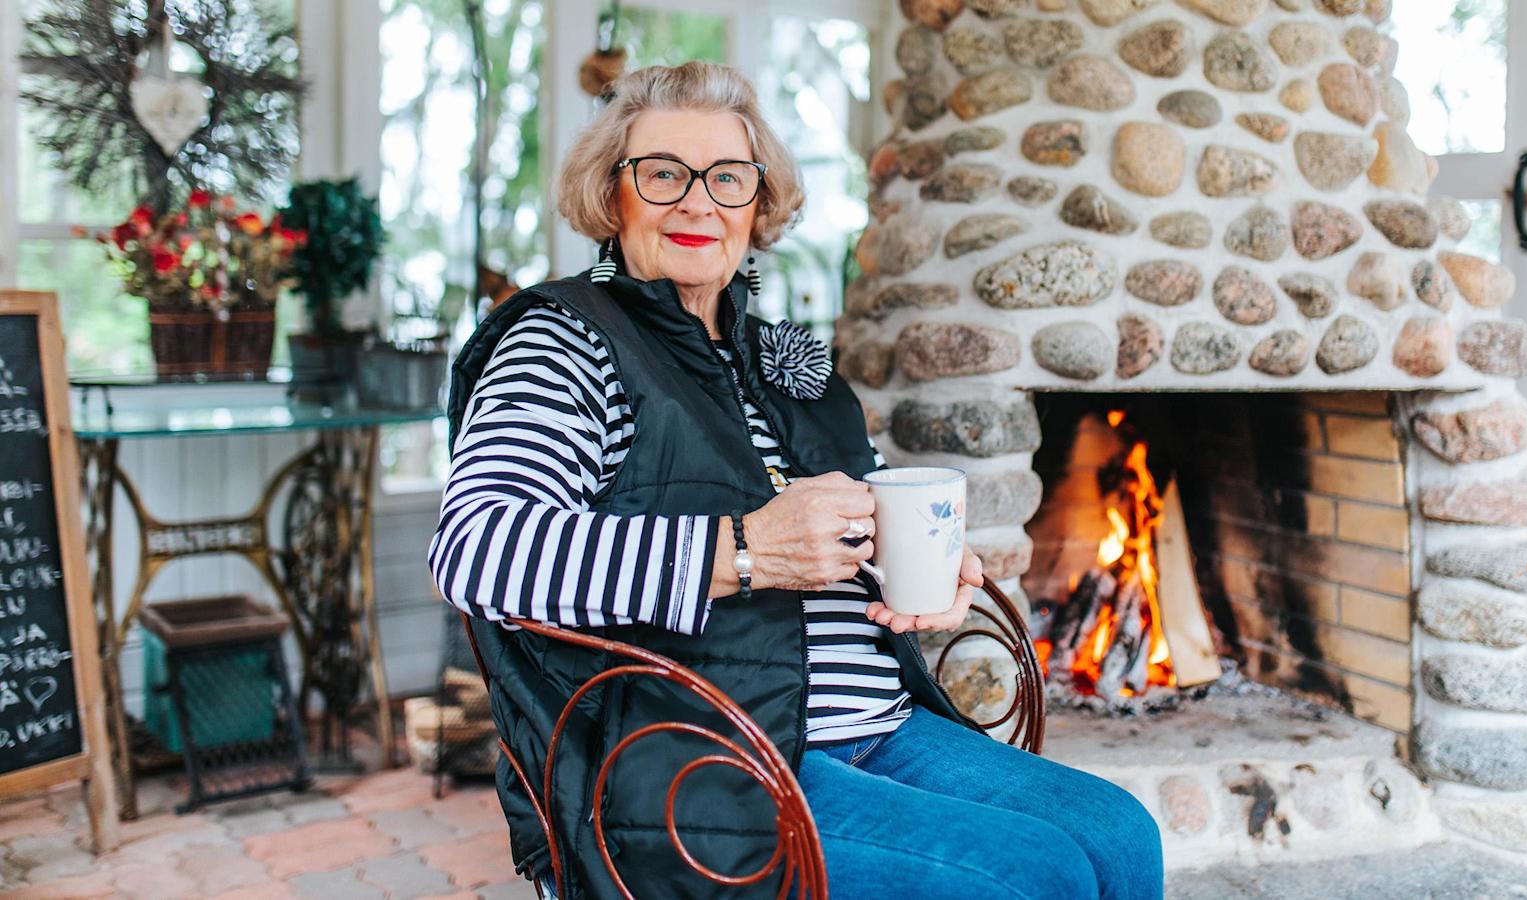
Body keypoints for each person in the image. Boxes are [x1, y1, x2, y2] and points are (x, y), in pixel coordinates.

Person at [429, 61, 1162, 899]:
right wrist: (745, 551)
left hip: (879, 724)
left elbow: (870, 518)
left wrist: (930, 567)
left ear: (758, 202)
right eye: (664, 173)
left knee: (1118, 834)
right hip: (702, 759)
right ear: (612, 193)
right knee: (1039, 873)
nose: (698, 202)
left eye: (727, 178)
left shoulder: (783, 363)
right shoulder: (566, 341)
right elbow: (478, 549)